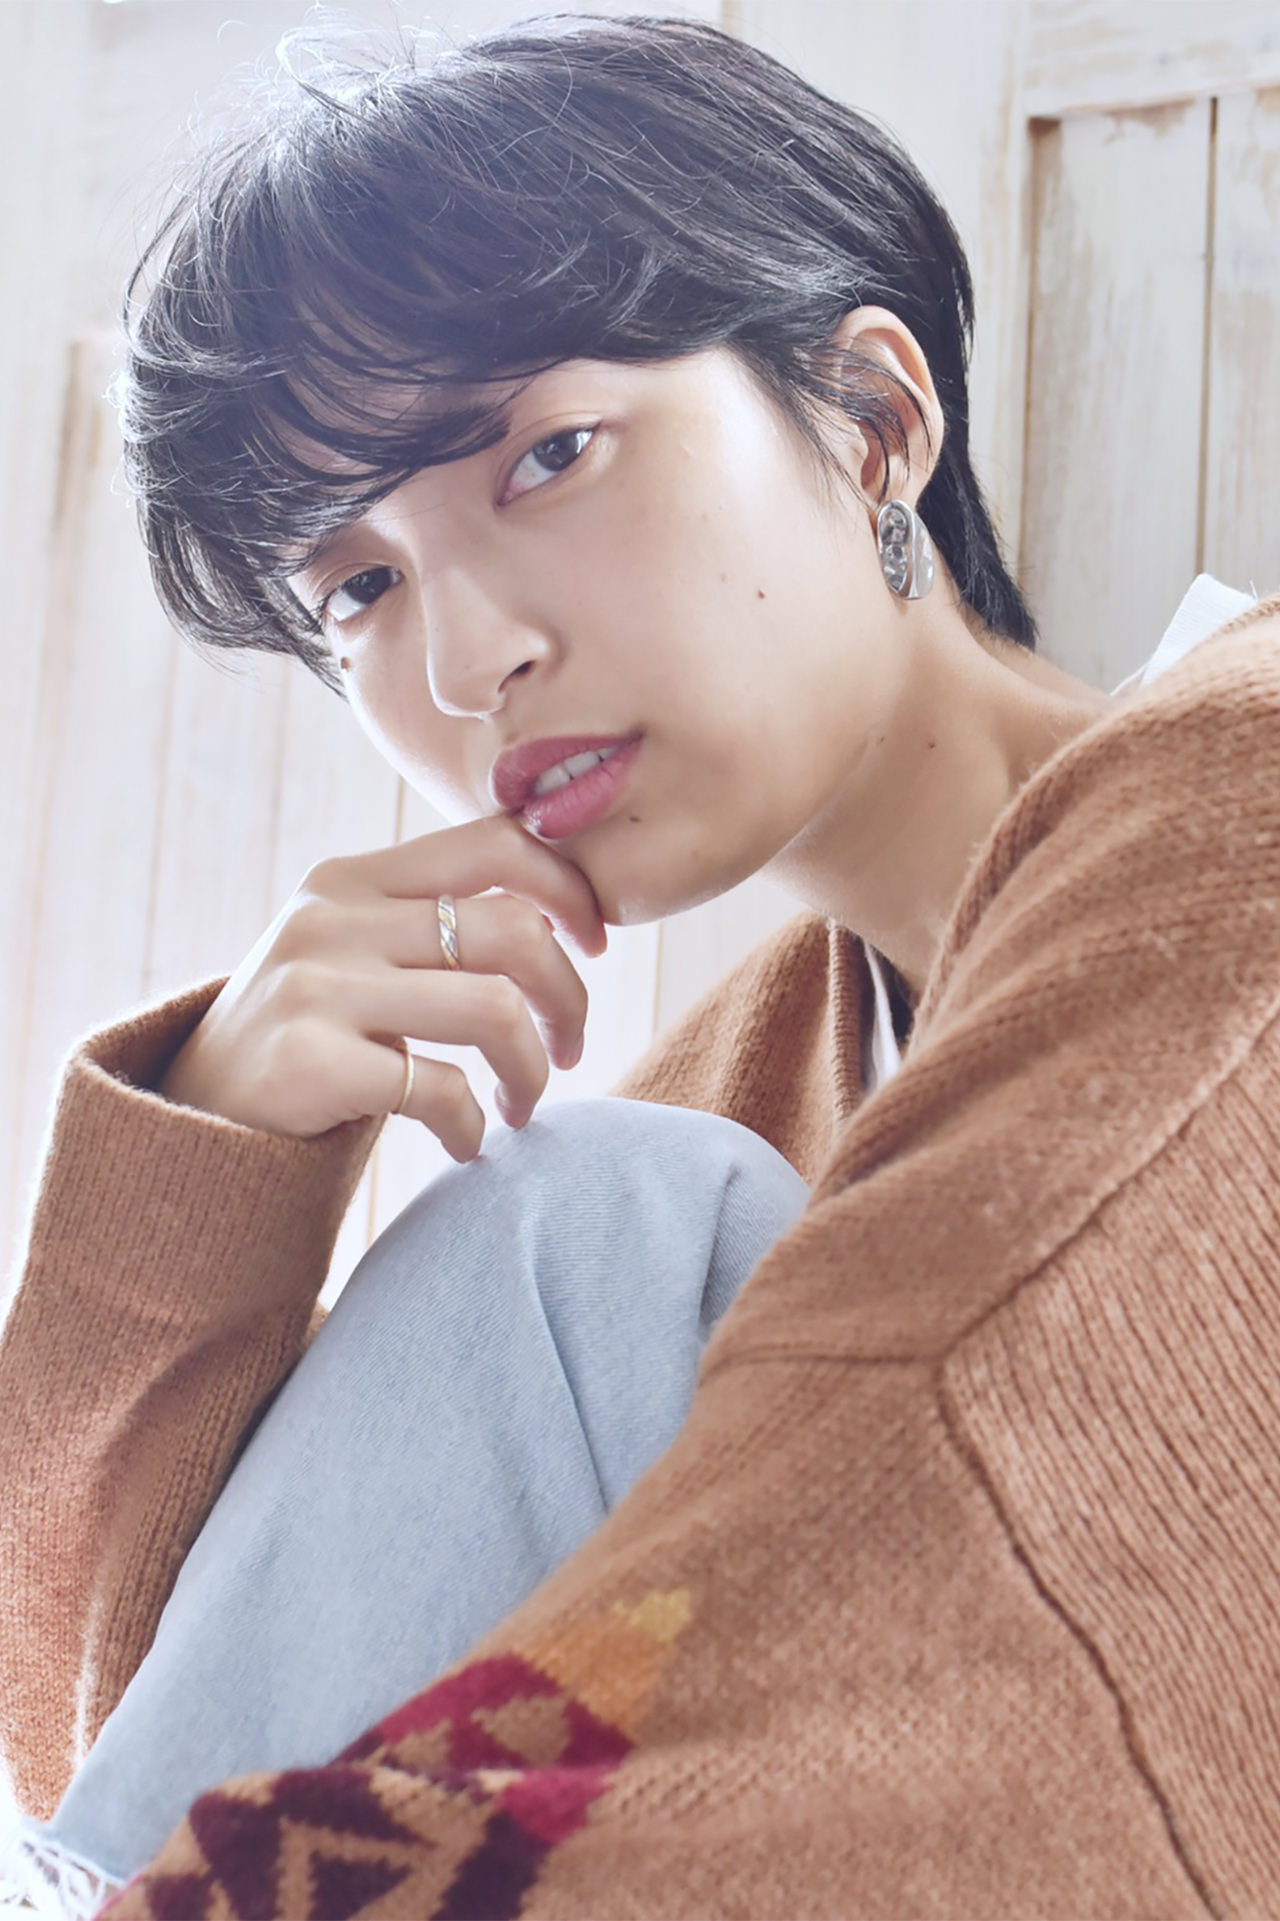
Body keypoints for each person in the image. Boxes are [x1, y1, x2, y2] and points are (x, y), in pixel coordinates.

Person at [2, 12, 1279, 1919]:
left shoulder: (1241, 789)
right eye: (360, 585)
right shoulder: (723, 1127)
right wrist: (217, 1159)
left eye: (549, 454)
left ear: (874, 421)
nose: (465, 663)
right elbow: (132, 1746)